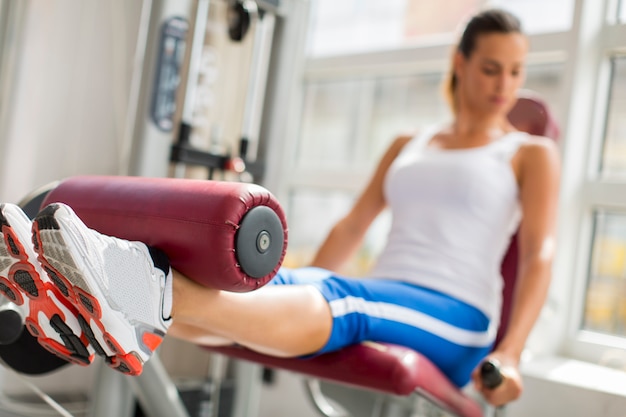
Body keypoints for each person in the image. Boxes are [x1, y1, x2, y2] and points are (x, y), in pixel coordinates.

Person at [0, 8, 560, 407]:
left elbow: (539, 255)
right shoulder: (409, 143)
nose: (505, 84)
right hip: (389, 290)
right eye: (492, 68)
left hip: (458, 320)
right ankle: (87, 298)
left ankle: (132, 292)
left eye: (516, 71)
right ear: (460, 63)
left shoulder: (529, 153)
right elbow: (352, 225)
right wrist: (293, 280)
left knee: (346, 303)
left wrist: (511, 353)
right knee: (274, 288)